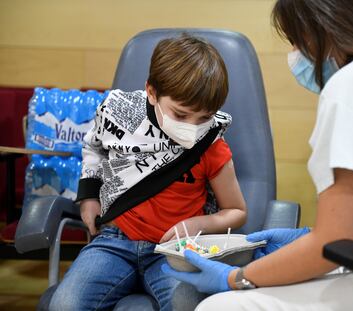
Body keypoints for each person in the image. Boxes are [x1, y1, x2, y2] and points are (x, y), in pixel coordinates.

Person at [162, 0, 353, 310]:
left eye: (295, 40)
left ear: (320, 30)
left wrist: (235, 277)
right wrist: (306, 236)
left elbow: (334, 242)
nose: (296, 53)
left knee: (217, 306)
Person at [48, 34, 247, 311]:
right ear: (151, 92)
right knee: (64, 305)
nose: (192, 128)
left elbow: (236, 211)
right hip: (115, 240)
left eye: (204, 118)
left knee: (189, 305)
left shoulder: (211, 144)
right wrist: (90, 196)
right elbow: (94, 148)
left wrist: (197, 224)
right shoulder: (120, 115)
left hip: (175, 251)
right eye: (180, 114)